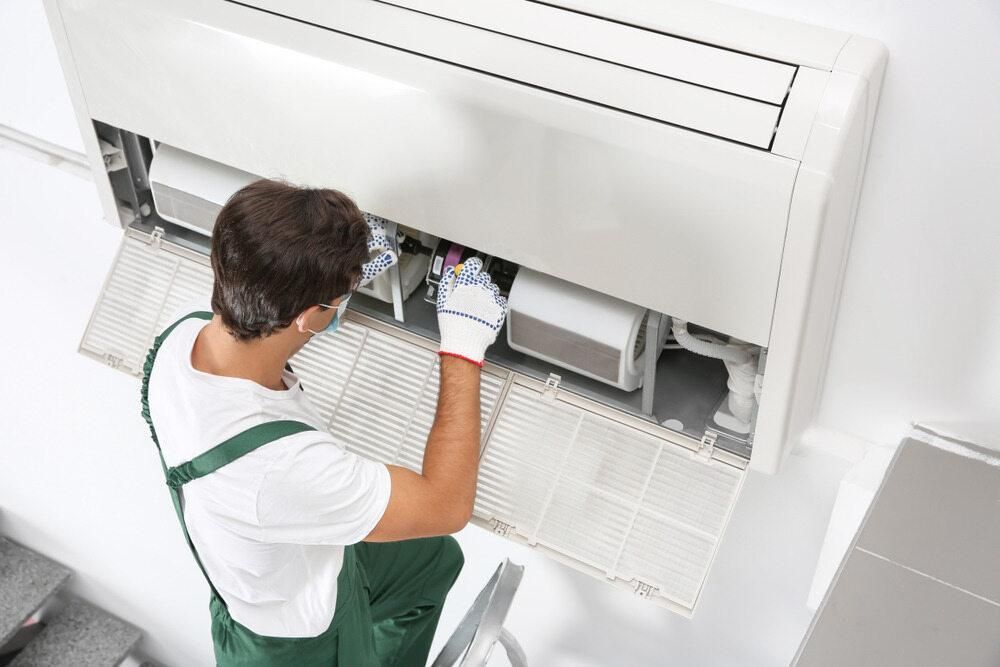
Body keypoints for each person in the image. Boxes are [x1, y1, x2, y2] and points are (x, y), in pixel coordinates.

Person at [140, 179, 508, 665]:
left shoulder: (184, 338)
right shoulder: (282, 468)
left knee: (432, 561)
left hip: (290, 552)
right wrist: (463, 348)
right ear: (307, 315)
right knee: (432, 528)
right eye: (333, 302)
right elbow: (446, 506)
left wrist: (331, 287)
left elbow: (274, 337)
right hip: (303, 643)